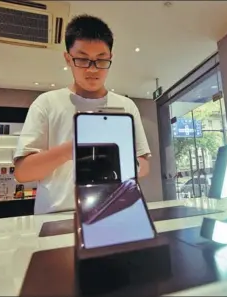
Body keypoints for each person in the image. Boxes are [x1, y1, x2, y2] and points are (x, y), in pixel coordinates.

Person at [14, 15, 151, 214]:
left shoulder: (126, 106)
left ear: (110, 57)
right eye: (83, 59)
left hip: (114, 211)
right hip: (58, 217)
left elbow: (144, 165)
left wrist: (113, 158)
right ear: (68, 58)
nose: (92, 69)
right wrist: (72, 150)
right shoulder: (46, 103)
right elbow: (23, 172)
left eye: (101, 60)